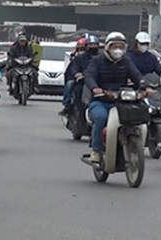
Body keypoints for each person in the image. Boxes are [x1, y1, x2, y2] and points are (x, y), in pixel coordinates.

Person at [84, 32, 144, 163]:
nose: (117, 50)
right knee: (101, 118)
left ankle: (133, 145)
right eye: (114, 46)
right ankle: (96, 150)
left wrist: (145, 86)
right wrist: (95, 88)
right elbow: (89, 77)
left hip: (122, 102)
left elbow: (137, 76)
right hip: (101, 101)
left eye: (120, 47)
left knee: (137, 117)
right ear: (107, 47)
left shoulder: (126, 61)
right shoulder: (97, 61)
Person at [58, 37, 88, 117]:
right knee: (69, 84)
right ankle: (67, 105)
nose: (82, 50)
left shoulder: (96, 58)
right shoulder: (76, 58)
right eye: (80, 48)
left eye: (83, 48)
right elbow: (72, 69)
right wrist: (76, 74)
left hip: (90, 79)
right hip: (78, 79)